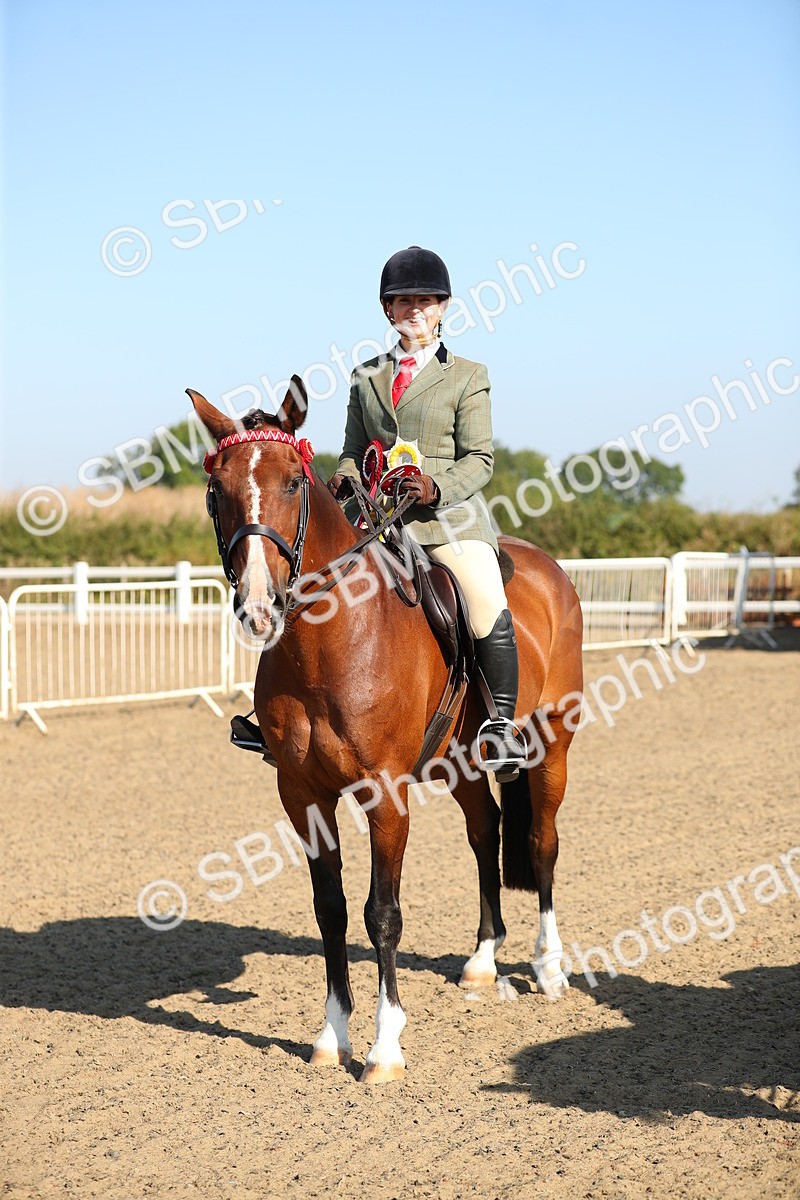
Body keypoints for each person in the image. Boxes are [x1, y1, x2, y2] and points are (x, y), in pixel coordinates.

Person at [327, 245, 526, 778]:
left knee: (484, 595)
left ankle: (500, 726)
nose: (415, 309)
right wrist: (346, 475)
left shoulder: (467, 374)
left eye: (426, 300)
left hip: (447, 519)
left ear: (444, 308)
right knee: (317, 592)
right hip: (376, 519)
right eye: (403, 300)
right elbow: (351, 448)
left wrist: (436, 487)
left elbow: (481, 459)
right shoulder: (364, 376)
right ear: (387, 310)